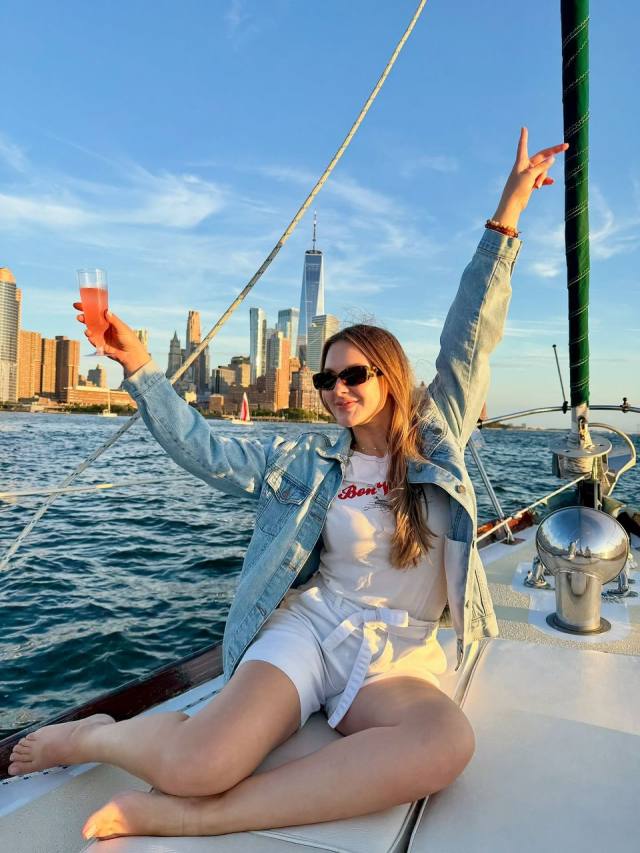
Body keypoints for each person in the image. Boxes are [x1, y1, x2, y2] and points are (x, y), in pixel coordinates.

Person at [8, 128, 567, 841]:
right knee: (202, 761)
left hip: (399, 652)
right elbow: (207, 451)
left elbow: (470, 337)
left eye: (353, 374)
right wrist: (141, 368)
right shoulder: (307, 462)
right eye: (326, 378)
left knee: (445, 744)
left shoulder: (439, 439)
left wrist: (507, 214)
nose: (337, 389)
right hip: (311, 628)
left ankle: (196, 818)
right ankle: (95, 736)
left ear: (391, 377)